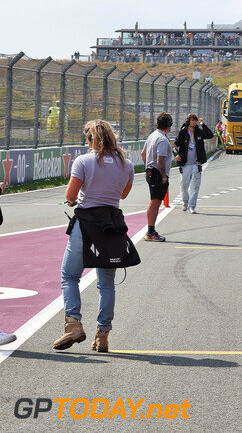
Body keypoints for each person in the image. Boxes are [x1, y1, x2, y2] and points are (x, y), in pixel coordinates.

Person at [55, 120, 135, 353]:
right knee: (107, 283)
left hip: (87, 223)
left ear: (91, 140)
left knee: (69, 275)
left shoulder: (84, 161)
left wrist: (73, 200)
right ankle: (103, 335)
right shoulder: (126, 164)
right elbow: (123, 194)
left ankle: (73, 324)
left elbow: (71, 195)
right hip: (112, 224)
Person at [140, 112, 173, 242]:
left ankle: (151, 230)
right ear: (169, 126)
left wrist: (148, 167)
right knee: (155, 202)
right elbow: (160, 161)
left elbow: (143, 154)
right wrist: (164, 177)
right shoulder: (163, 139)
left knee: (155, 201)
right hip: (157, 173)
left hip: (150, 170)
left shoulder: (152, 136)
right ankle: (150, 231)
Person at [174, 113, 214, 214]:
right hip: (185, 164)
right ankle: (185, 202)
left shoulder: (199, 132)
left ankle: (192, 206)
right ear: (188, 121)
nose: (194, 122)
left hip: (196, 164)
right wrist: (176, 154)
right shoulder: (183, 132)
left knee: (195, 186)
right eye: (192, 120)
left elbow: (209, 135)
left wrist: (203, 125)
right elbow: (175, 145)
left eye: (195, 120)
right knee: (184, 185)